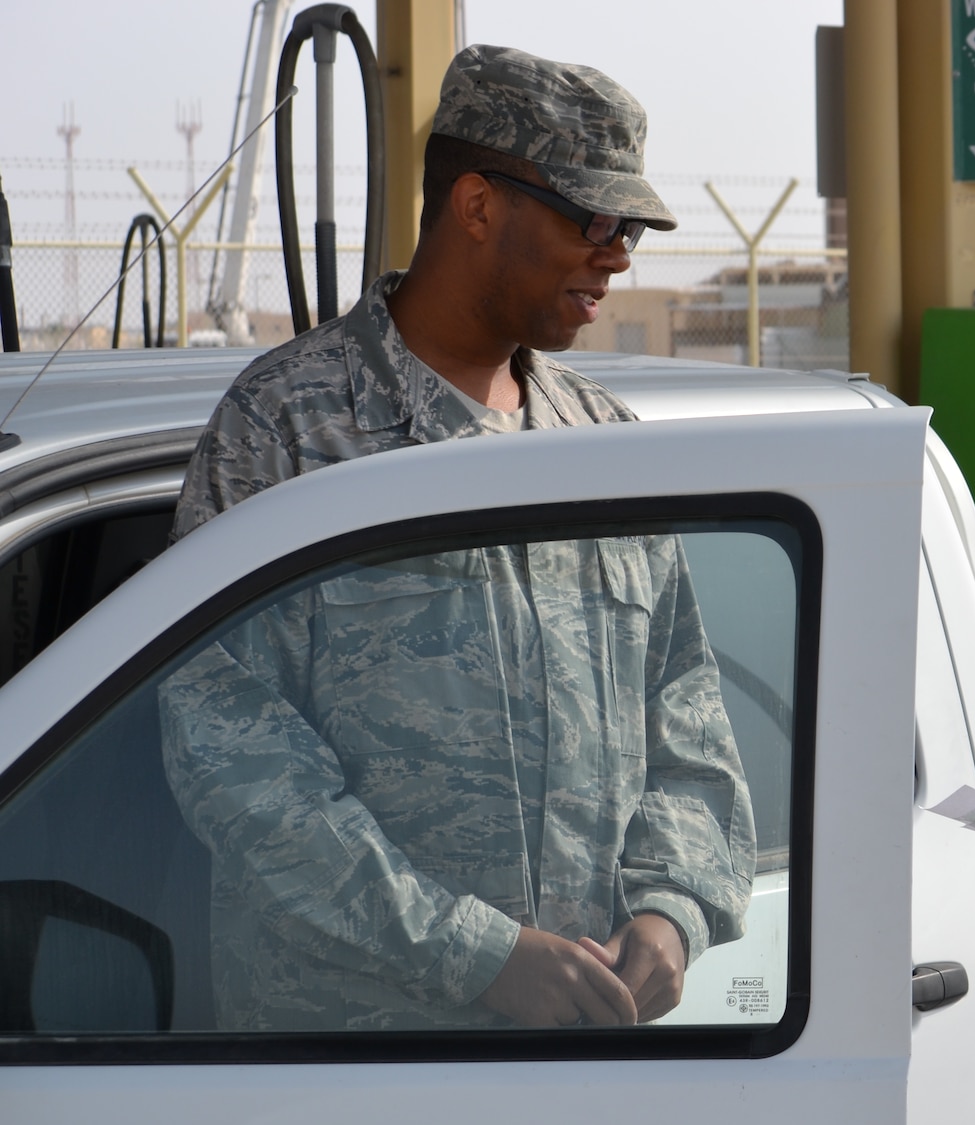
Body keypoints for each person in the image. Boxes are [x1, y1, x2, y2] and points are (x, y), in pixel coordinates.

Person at [158, 46, 753, 1031]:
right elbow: (231, 756)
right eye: (593, 220)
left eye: (631, 230)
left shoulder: (603, 447)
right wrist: (473, 955)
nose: (617, 254)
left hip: (587, 1058)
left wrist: (669, 912)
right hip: (350, 1077)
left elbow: (688, 731)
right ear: (477, 207)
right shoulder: (288, 429)